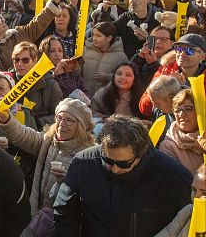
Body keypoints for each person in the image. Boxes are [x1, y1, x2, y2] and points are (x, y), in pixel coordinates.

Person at [54, 115, 192, 236]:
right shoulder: (84, 163)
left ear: (140, 154)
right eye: (107, 160)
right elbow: (65, 212)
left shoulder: (173, 176)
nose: (114, 169)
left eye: (123, 164)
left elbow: (187, 223)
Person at [0, 98, 95, 235]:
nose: (61, 124)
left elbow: (90, 194)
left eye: (69, 120)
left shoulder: (88, 156)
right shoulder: (48, 142)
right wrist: (6, 119)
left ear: (82, 126)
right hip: (37, 216)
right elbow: (23, 135)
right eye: (59, 118)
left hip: (63, 224)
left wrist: (67, 181)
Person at [0, 0, 61, 71]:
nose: (3, 21)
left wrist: (54, 3)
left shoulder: (19, 33)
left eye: (1, 18)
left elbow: (38, 23)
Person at [159, 89, 206, 175]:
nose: (181, 114)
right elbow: (178, 181)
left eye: (187, 109)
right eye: (177, 110)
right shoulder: (168, 146)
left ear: (200, 110)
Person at [153, 164, 206, 237]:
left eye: (204, 193)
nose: (196, 196)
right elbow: (169, 233)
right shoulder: (188, 211)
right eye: (194, 189)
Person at [81, 21, 129, 95]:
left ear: (109, 38)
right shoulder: (85, 51)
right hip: (84, 97)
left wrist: (107, 77)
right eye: (93, 35)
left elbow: (126, 79)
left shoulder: (120, 57)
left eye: (98, 36)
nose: (94, 38)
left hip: (106, 99)